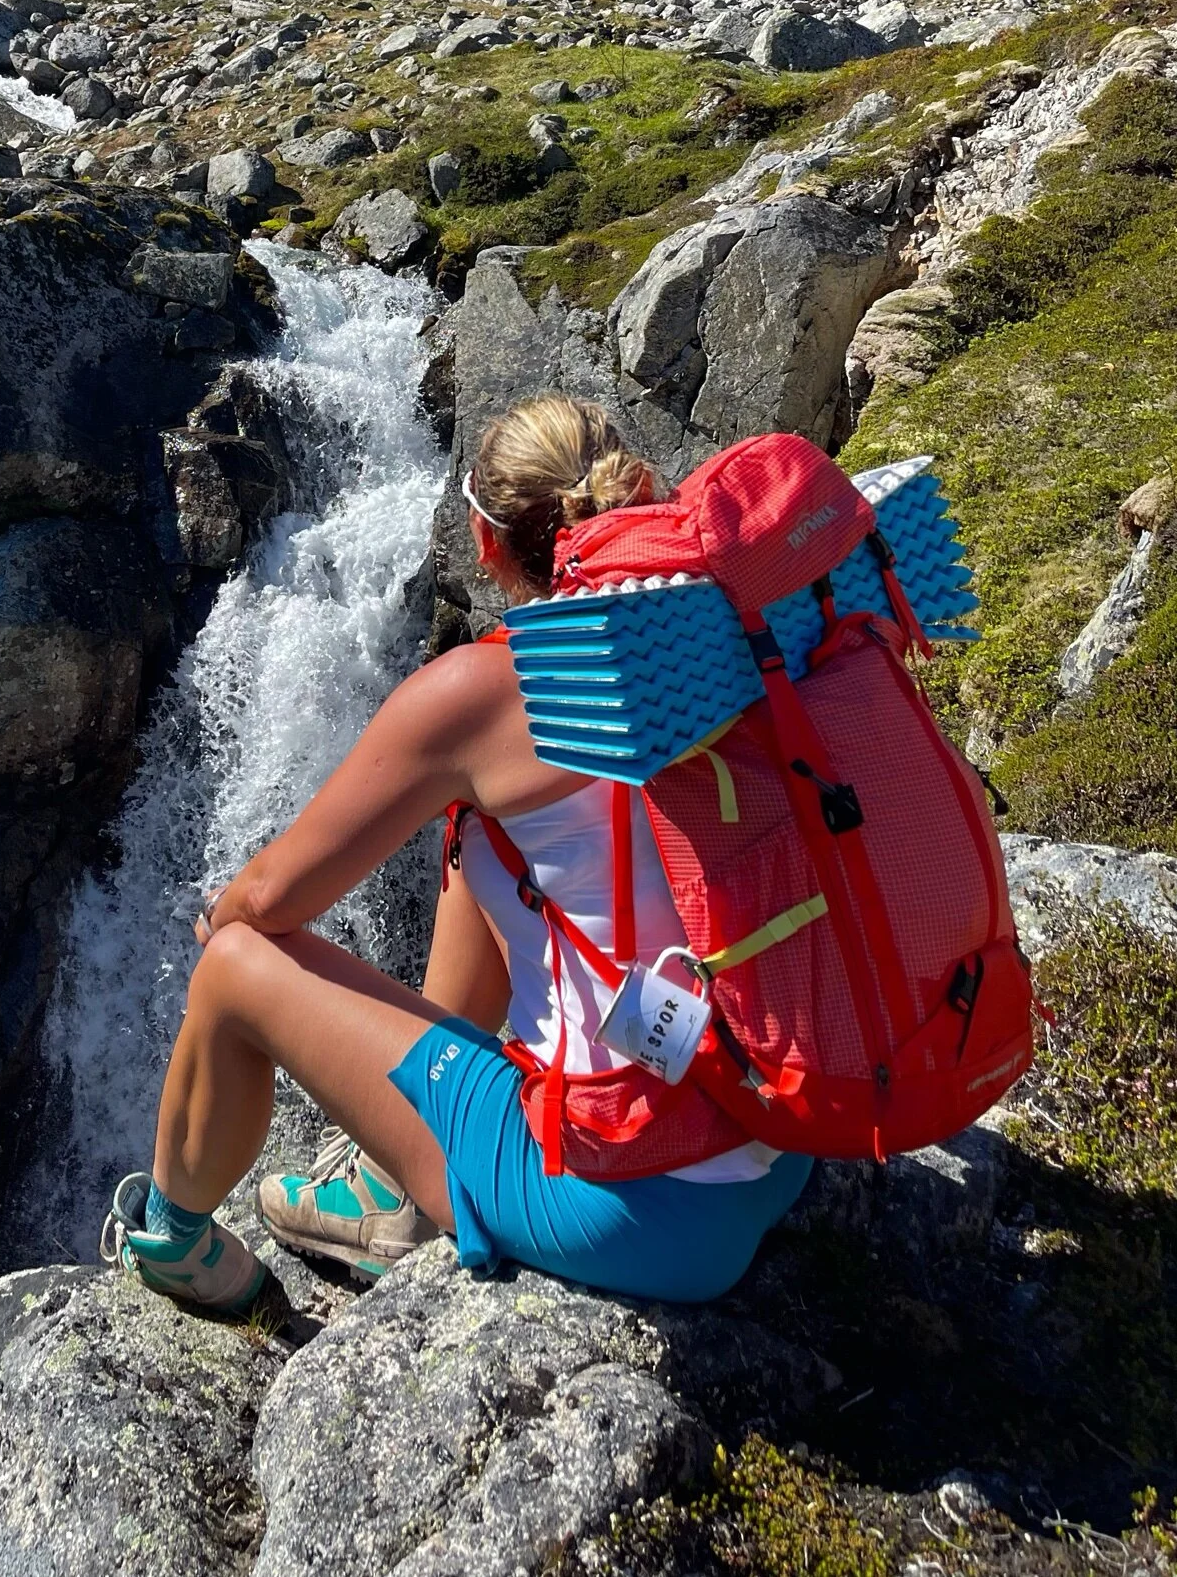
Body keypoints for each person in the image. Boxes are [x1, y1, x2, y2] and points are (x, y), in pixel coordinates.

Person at [101, 395, 814, 1316]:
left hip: (633, 1205)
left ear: (486, 547)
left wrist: (221, 916)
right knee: (482, 832)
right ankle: (394, 1190)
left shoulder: (484, 691)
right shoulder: (728, 631)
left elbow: (267, 899)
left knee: (236, 964)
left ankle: (173, 1241)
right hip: (774, 1145)